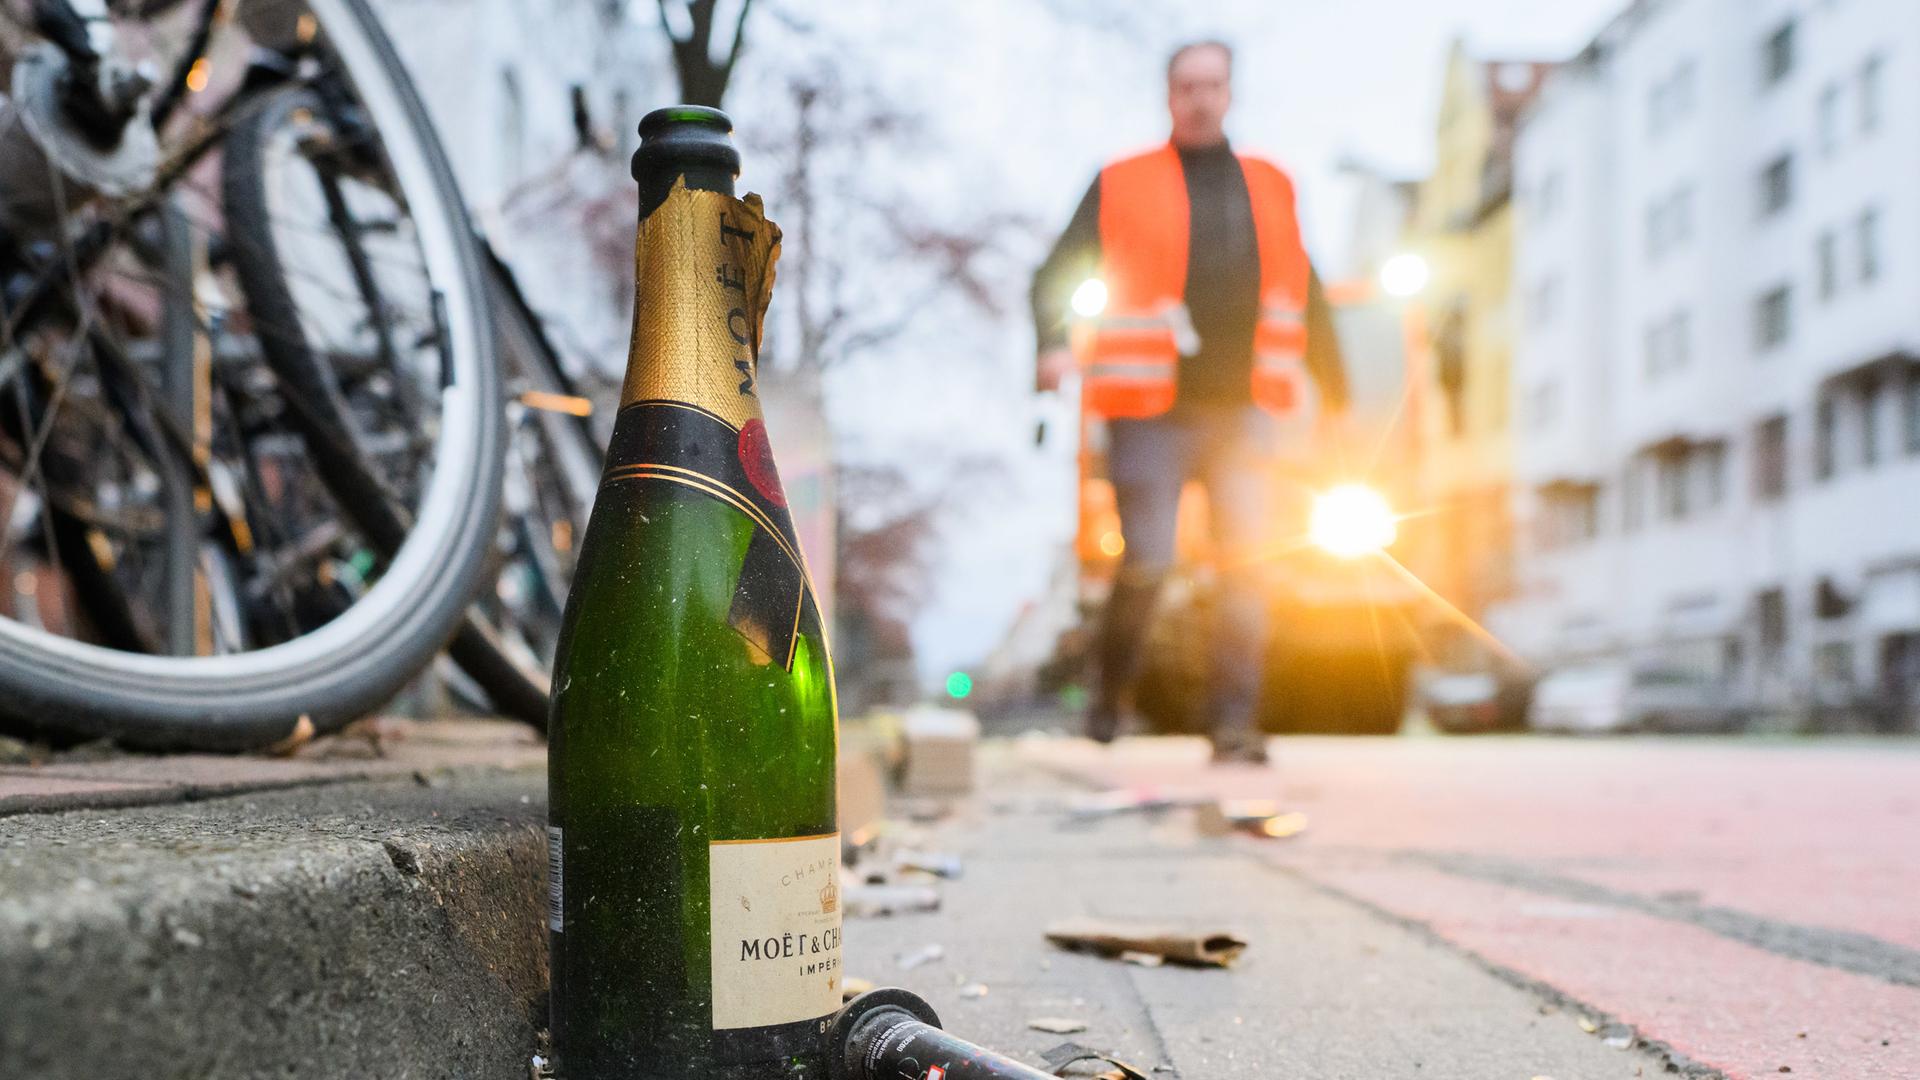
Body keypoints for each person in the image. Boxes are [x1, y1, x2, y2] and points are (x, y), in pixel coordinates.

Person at [1031, 39, 1349, 765]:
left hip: (1244, 411)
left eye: (1213, 84)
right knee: (1149, 559)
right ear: (1168, 95)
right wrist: (1051, 343)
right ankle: (1110, 695)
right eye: (1187, 86)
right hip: (1149, 410)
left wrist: (1337, 389)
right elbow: (1056, 268)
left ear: (1230, 92)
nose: (1201, 97)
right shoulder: (1120, 180)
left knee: (1249, 568)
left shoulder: (1272, 183)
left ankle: (1232, 724)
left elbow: (1309, 285)